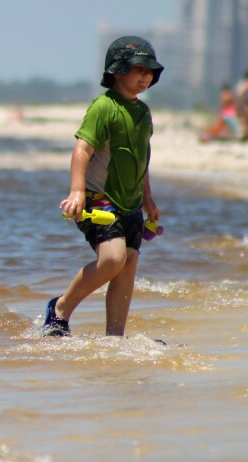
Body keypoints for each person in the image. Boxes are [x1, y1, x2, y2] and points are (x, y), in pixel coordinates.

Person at [43, 36, 163, 337]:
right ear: (118, 71)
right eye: (139, 69)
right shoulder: (103, 107)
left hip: (132, 203)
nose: (146, 75)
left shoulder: (143, 113)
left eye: (150, 70)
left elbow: (141, 158)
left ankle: (115, 338)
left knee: (128, 263)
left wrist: (148, 199)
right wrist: (77, 192)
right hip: (99, 199)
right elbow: (82, 150)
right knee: (112, 259)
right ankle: (59, 309)